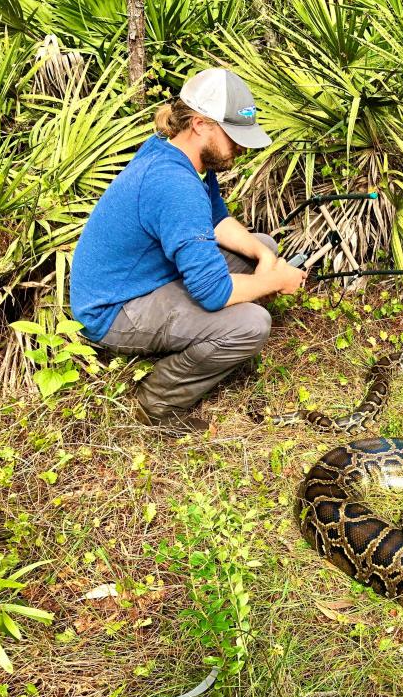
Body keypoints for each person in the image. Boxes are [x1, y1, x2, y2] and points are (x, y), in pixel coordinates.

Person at [70, 68, 307, 434]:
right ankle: (157, 404)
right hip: (114, 309)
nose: (241, 148)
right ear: (200, 124)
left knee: (264, 246)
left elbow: (216, 221)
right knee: (251, 324)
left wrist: (264, 260)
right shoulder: (173, 184)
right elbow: (212, 293)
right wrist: (276, 280)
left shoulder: (187, 160)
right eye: (233, 136)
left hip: (149, 277)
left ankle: (210, 338)